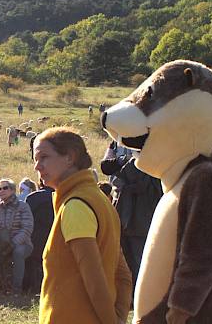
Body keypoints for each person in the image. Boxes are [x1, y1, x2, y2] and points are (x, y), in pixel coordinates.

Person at [34, 127, 131, 324]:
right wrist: (118, 316)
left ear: (69, 157)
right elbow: (124, 275)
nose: (37, 166)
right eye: (35, 158)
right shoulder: (99, 199)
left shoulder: (75, 206)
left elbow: (94, 280)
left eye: (43, 157)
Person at [101, 155, 162, 288]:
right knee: (141, 263)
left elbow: (108, 168)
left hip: (129, 222)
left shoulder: (130, 168)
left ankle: (136, 293)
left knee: (134, 264)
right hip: (144, 223)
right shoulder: (156, 171)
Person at [0, 179, 34, 295]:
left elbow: (27, 228)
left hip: (22, 244)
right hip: (2, 245)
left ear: (12, 190)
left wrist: (13, 243)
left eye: (5, 188)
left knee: (18, 252)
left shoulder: (23, 206)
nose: (1, 191)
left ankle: (16, 290)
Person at [22, 181, 54, 294]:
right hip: (54, 240)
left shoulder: (32, 198)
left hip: (35, 240)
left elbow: (25, 220)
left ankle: (30, 286)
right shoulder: (61, 196)